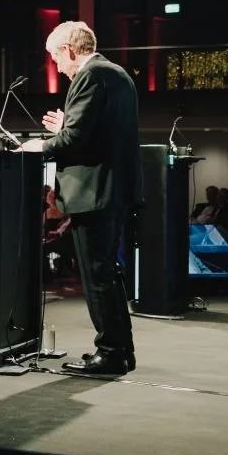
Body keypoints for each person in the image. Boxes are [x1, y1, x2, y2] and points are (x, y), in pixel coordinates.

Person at [25, 20, 141, 378]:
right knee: (108, 273)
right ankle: (121, 351)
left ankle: (109, 354)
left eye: (55, 58)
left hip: (94, 193)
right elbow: (100, 135)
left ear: (69, 51)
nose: (57, 67)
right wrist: (67, 126)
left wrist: (38, 145)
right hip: (113, 190)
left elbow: (76, 142)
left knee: (97, 277)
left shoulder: (89, 77)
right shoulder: (118, 74)